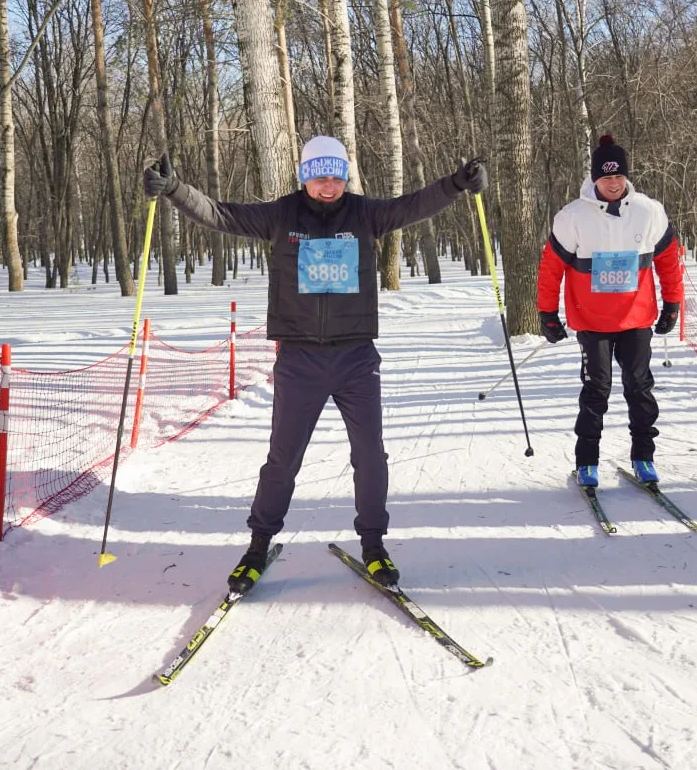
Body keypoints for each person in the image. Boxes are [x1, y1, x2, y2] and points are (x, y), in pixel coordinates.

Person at [143, 136, 487, 590]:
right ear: (305, 176)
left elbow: (414, 205)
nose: (329, 186)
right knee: (282, 460)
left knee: (370, 456)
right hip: (299, 359)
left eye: (337, 177)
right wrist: (173, 189)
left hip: (355, 358)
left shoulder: (365, 214)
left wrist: (457, 184)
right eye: (320, 177)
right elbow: (221, 214)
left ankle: (374, 547)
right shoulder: (281, 215)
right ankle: (257, 546)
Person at [535, 134, 683, 489]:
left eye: (618, 177)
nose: (613, 184)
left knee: (639, 386)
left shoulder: (648, 212)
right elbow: (551, 268)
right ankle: (587, 462)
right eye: (606, 178)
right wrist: (547, 313)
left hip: (636, 317)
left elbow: (668, 260)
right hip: (592, 321)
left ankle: (644, 457)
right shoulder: (572, 217)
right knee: (596, 389)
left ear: (626, 176)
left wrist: (672, 303)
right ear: (595, 179)